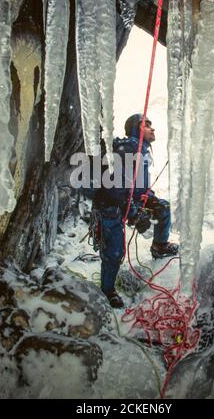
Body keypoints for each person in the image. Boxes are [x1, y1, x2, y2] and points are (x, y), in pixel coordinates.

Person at [92, 113, 179, 308]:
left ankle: (160, 246)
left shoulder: (141, 150)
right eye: (146, 124)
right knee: (115, 251)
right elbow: (116, 188)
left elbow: (137, 185)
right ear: (134, 129)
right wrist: (134, 214)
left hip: (131, 198)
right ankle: (107, 290)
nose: (152, 128)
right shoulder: (129, 148)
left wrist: (148, 198)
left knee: (162, 207)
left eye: (151, 123)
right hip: (110, 205)